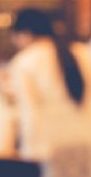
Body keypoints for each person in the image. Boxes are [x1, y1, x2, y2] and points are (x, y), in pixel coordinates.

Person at [9, 9, 91, 163]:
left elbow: (29, 114)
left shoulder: (25, 61)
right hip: (86, 142)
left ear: (25, 34)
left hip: (50, 149)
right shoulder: (82, 52)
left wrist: (29, 157)